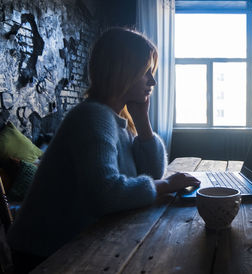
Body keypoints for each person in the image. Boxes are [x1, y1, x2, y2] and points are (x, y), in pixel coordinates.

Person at [6, 27, 200, 273]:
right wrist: (167, 185)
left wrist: (142, 121)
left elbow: (151, 172)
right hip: (45, 254)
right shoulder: (93, 117)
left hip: (78, 242)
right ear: (123, 71)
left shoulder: (113, 119)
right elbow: (105, 193)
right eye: (146, 71)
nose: (153, 81)